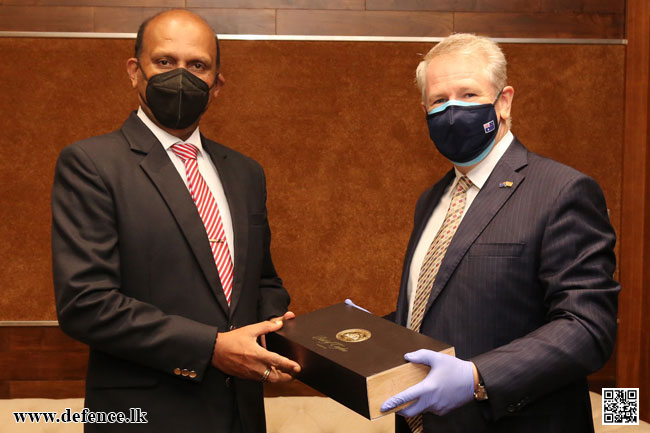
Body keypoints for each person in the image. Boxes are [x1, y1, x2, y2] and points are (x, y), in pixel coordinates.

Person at [51, 9, 300, 433]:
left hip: (241, 412)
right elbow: (85, 304)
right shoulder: (91, 164)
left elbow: (263, 282)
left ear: (216, 85)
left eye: (197, 65)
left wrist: (271, 333)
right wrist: (213, 348)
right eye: (164, 62)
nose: (180, 76)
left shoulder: (245, 172)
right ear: (135, 71)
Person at [380, 33, 620, 433]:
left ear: (504, 102)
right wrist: (368, 332)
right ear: (424, 110)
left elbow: (588, 327)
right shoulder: (431, 200)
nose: (453, 110)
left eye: (469, 94)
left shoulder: (561, 190)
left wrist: (478, 376)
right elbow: (438, 309)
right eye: (439, 101)